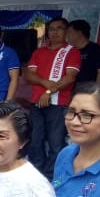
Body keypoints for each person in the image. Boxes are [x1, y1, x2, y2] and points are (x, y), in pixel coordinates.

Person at [24, 17, 81, 179]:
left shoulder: (72, 51)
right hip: (36, 103)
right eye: (52, 29)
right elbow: (29, 75)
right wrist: (45, 82)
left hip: (59, 103)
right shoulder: (39, 51)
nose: (55, 32)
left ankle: (50, 178)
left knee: (56, 144)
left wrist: (48, 93)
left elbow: (70, 77)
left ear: (67, 31)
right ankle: (36, 176)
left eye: (59, 28)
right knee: (35, 141)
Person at [67, 19, 100, 84]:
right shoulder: (69, 51)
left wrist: (96, 91)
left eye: (69, 32)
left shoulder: (96, 49)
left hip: (88, 91)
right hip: (69, 91)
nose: (67, 36)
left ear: (79, 33)